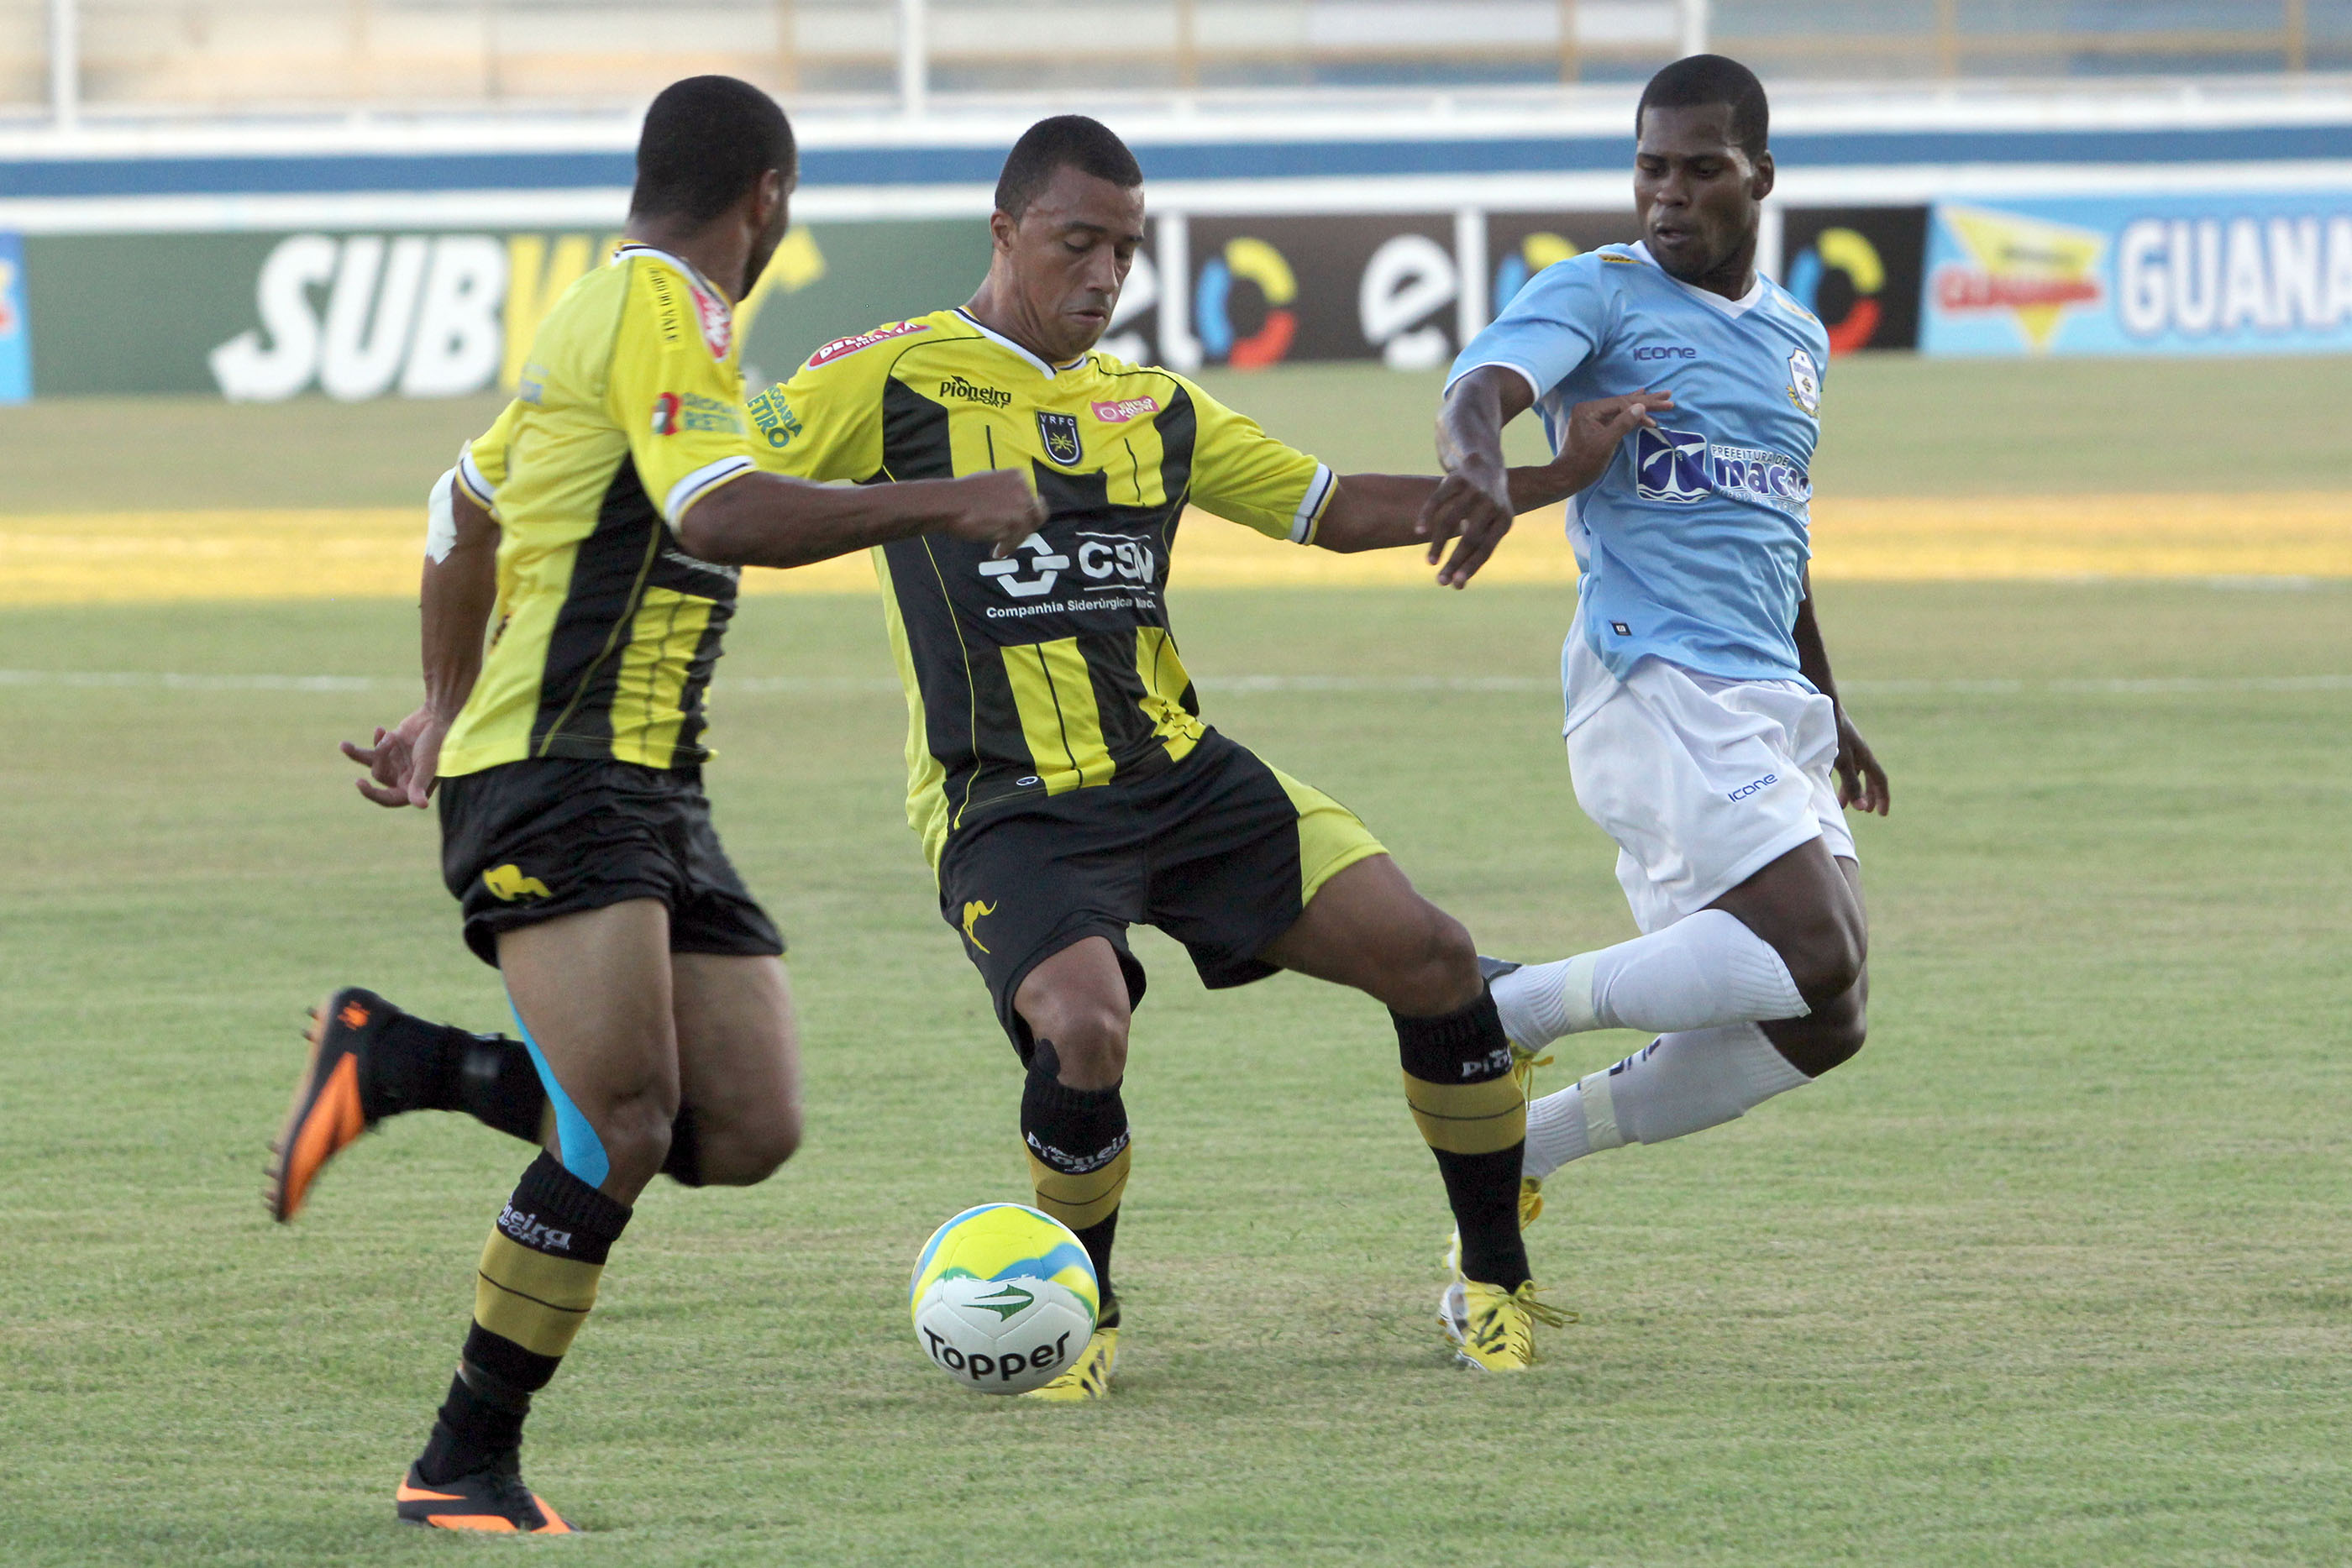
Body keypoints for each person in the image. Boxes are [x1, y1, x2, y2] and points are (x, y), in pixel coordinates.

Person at [284, 113, 1605, 1394]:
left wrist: (1540, 480)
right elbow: (687, 487)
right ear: (1006, 230)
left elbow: (1330, 508)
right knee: (1084, 1026)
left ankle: (1493, 1282)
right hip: (1005, 800)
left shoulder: (1155, 403)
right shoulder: (894, 372)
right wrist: (474, 686)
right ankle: (1078, 1323)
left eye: (1125, 252)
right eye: (1077, 243)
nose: (1103, 276)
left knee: (1435, 958)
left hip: (1182, 775)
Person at [264, 75, 1041, 1533]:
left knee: (743, 1127)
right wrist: (944, 498)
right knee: (619, 1125)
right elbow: (715, 512)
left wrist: (439, 700)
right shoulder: (657, 306)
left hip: (651, 784)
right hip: (562, 773)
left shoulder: (630, 317)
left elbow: (460, 505)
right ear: (767, 196)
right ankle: (461, 1462)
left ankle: (399, 1062)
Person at [1425, 54, 1892, 1335]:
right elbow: (1480, 392)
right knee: (1816, 948)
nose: (1668, 195)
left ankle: (1525, 1156)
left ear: (1760, 179)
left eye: (1700, 169)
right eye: (1650, 168)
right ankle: (1505, 1008)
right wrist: (1480, 465)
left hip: (1765, 697)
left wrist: (1830, 705)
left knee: (1829, 1018)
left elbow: (1779, 543)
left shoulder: (1797, 342)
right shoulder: (1598, 293)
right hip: (1652, 677)